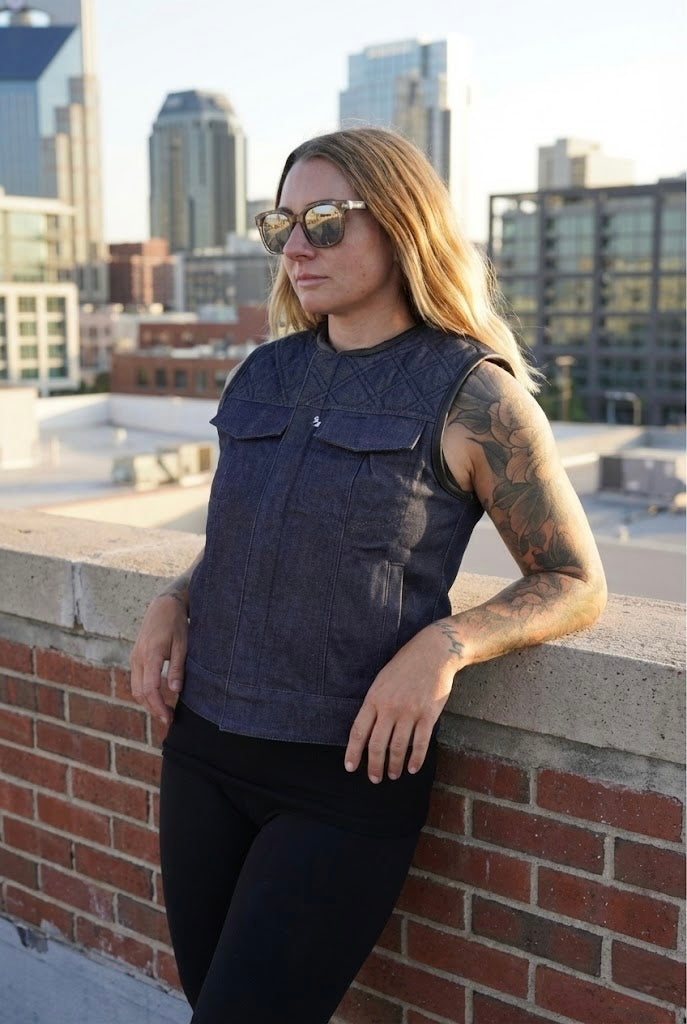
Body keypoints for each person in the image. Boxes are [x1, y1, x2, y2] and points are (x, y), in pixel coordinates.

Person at [130, 127, 607, 1024]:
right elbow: (252, 533)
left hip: (343, 776)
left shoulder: (474, 394)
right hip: (202, 752)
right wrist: (174, 596)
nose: (296, 247)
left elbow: (572, 578)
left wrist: (444, 645)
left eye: (325, 220)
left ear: (400, 224)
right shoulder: (262, 373)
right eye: (281, 225)